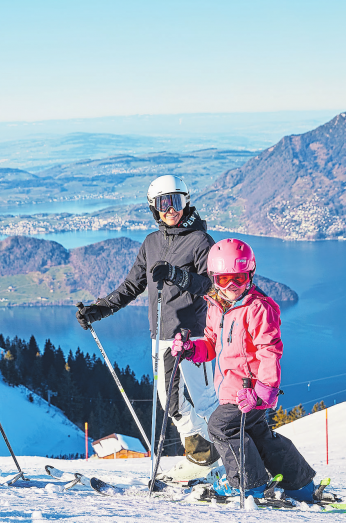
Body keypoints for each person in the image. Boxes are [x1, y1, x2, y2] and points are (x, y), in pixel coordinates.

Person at [76, 175, 219, 480]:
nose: (171, 209)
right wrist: (97, 310)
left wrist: (179, 277)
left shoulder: (200, 241)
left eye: (177, 201)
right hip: (162, 335)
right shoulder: (151, 243)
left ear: (187, 202)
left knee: (205, 399)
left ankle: (226, 460)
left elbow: (212, 286)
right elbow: (131, 286)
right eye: (164, 203)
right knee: (171, 403)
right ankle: (202, 457)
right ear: (154, 208)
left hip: (194, 334)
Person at [171, 238, 332, 502]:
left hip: (250, 393)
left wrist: (264, 390)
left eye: (239, 278)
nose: (232, 286)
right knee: (259, 436)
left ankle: (249, 485)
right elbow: (212, 344)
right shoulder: (216, 307)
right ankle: (299, 484)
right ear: (213, 278)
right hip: (234, 392)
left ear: (251, 274)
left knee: (220, 426)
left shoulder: (258, 308)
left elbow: (270, 351)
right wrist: (191, 349)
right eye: (224, 280)